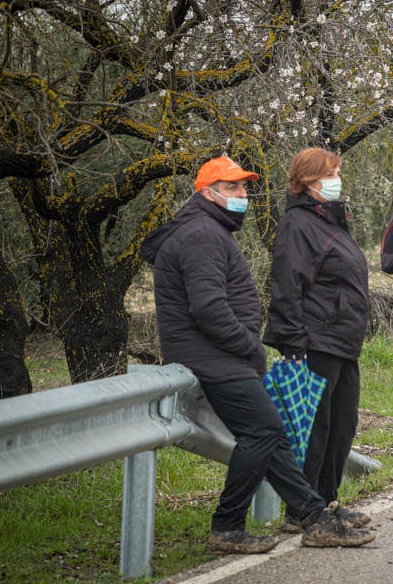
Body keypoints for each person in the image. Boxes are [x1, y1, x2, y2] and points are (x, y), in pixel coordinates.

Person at [140, 156, 375, 554]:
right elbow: (209, 309)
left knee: (271, 436)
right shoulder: (200, 235)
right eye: (233, 188)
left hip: (219, 356)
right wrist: (249, 347)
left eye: (245, 187)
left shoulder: (210, 230)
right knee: (265, 432)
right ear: (207, 192)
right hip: (215, 357)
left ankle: (311, 516)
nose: (243, 195)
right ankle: (231, 524)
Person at [263, 148, 372, 529]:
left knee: (342, 424)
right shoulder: (298, 224)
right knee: (316, 428)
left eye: (338, 170)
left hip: (342, 338)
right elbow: (287, 284)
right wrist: (293, 342)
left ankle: (327, 501)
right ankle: (303, 510)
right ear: (309, 180)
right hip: (316, 338)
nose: (338, 177)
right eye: (332, 171)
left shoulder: (328, 220)